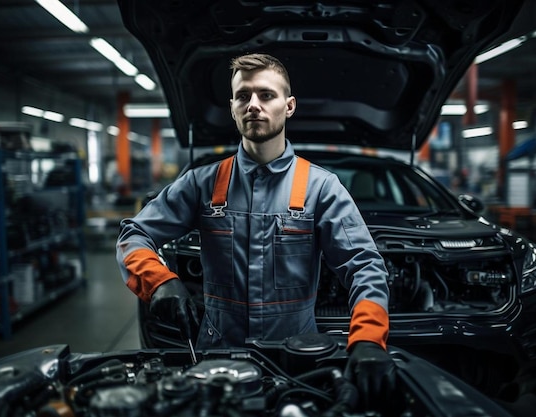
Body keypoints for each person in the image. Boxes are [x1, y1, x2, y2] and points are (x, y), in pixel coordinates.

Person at [116, 53, 395, 406]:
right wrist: (159, 282)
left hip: (297, 361)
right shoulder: (203, 184)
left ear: (289, 106)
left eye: (266, 95)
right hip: (215, 361)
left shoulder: (320, 188)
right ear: (232, 106)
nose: (253, 106)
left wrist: (369, 338)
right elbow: (133, 235)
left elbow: (365, 267)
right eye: (243, 96)